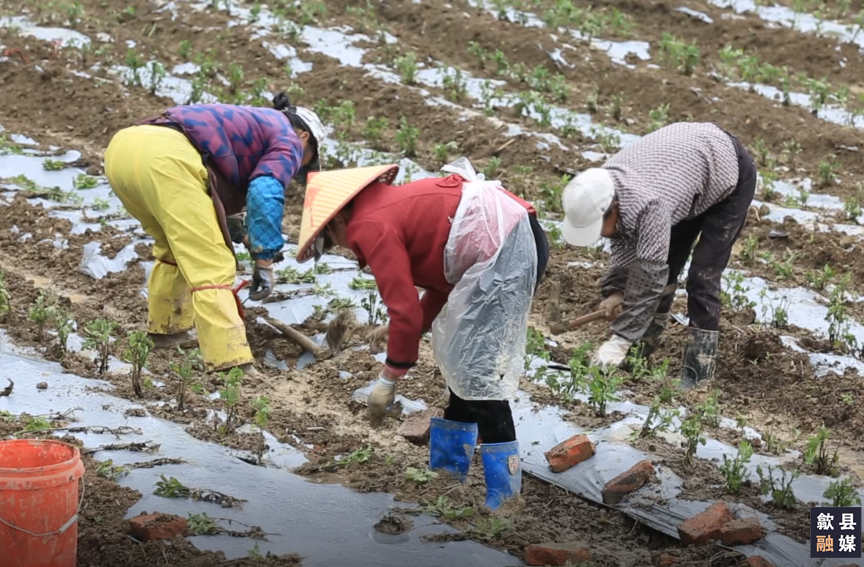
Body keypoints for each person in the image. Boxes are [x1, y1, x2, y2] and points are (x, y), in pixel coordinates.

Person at [294, 159, 549, 509]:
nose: (341, 246)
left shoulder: (369, 224)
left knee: (480, 377)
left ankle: (505, 500)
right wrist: (408, 327)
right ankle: (446, 477)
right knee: (462, 367)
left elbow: (405, 310)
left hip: (508, 248)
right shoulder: (383, 210)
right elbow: (441, 287)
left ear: (338, 218)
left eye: (331, 240)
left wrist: (389, 378)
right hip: (512, 237)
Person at [104, 94, 325, 374]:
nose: (300, 167)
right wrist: (264, 260)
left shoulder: (252, 123)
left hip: (125, 149)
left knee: (174, 248)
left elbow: (216, 201)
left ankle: (167, 331)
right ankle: (230, 363)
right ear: (304, 136)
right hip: (169, 159)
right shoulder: (289, 139)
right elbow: (264, 192)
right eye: (307, 161)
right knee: (212, 263)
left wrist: (245, 237)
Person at [560, 122, 756, 388]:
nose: (602, 235)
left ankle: (697, 376)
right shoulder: (601, 187)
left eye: (599, 227)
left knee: (702, 276)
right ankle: (640, 357)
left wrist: (620, 340)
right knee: (668, 268)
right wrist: (616, 290)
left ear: (613, 207)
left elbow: (650, 276)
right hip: (684, 178)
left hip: (726, 172)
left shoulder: (649, 206)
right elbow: (623, 242)